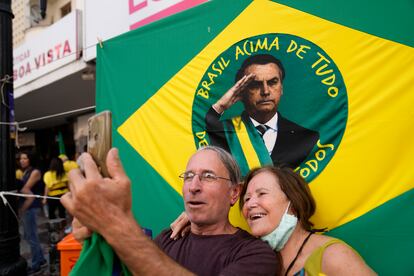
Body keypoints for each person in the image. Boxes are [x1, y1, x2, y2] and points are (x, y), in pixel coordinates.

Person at [61, 146, 281, 275]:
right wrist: (98, 238)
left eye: (208, 176)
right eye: (188, 176)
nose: (194, 186)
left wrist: (114, 225)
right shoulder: (169, 237)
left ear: (234, 193)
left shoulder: (257, 255)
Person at [171, 166, 377, 275]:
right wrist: (197, 218)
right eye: (248, 198)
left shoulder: (333, 256)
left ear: (293, 203)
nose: (250, 204)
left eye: (262, 194)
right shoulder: (252, 257)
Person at [205, 54, 319, 169]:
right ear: (242, 91)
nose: (265, 91)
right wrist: (220, 106)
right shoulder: (225, 133)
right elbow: (194, 134)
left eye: (272, 82)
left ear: (282, 88)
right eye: (255, 84)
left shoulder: (306, 138)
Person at [19, 152, 47, 274]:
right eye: (20, 158)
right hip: (27, 207)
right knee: (28, 235)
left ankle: (36, 264)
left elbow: (25, 188)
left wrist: (22, 208)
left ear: (31, 159)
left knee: (32, 237)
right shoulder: (25, 171)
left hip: (31, 206)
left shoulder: (35, 172)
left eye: (25, 158)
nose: (22, 160)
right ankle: (41, 260)